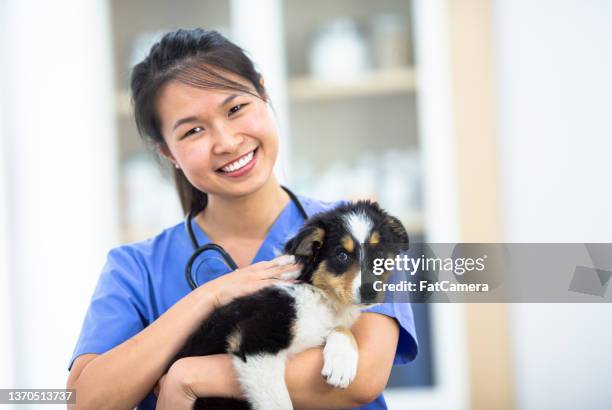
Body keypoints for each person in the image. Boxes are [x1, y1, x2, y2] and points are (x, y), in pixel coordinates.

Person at [66, 28, 418, 410]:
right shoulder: (136, 269)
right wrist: (208, 297)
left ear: (263, 94)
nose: (227, 141)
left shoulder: (360, 232)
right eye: (193, 130)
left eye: (235, 109)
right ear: (168, 152)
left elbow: (362, 377)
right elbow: (84, 401)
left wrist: (190, 377)